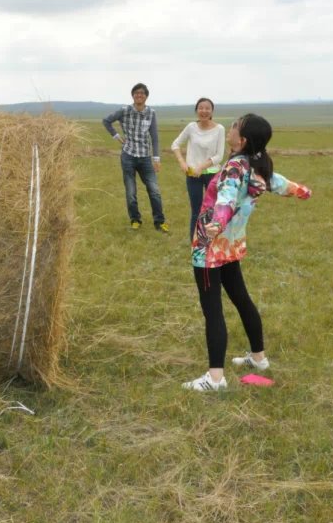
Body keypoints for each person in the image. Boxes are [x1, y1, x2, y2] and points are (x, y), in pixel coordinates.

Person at [182, 113, 311, 392]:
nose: (229, 129)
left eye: (234, 127)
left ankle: (215, 379)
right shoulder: (257, 165)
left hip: (210, 247)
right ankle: (258, 359)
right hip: (231, 246)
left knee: (212, 310)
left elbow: (226, 198)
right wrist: (302, 191)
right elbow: (281, 184)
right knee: (241, 299)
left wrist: (216, 223)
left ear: (241, 140)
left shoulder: (235, 168)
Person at [102, 83, 169, 232]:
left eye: (142, 93)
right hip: (128, 156)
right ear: (132, 95)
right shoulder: (124, 110)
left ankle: (159, 222)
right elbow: (106, 121)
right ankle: (135, 220)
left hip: (145, 157)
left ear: (146, 96)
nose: (139, 95)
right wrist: (117, 136)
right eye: (136, 93)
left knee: (154, 190)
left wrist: (156, 159)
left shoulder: (151, 113)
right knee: (131, 191)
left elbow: (155, 137)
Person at [171, 97, 225, 240]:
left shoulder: (219, 129)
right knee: (196, 210)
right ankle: (194, 241)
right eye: (201, 108)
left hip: (212, 174)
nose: (204, 111)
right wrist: (182, 162)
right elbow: (175, 144)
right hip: (192, 174)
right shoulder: (191, 127)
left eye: (207, 108)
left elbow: (219, 156)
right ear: (196, 110)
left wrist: (201, 166)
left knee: (212, 209)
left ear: (212, 111)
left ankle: (212, 240)